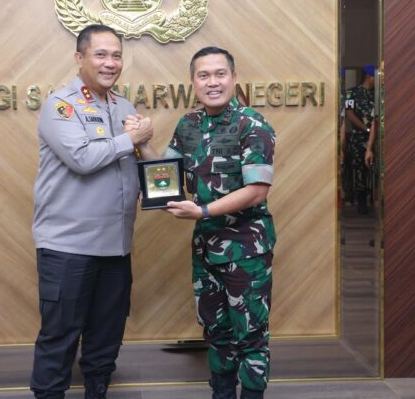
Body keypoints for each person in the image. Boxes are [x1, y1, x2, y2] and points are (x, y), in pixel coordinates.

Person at [129, 47, 276, 399]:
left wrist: (203, 211)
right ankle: (221, 392)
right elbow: (166, 176)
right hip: (206, 248)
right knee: (216, 329)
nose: (213, 82)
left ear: (233, 78)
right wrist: (142, 144)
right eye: (204, 76)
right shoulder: (189, 125)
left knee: (250, 333)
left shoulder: (253, 125)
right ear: (193, 82)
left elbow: (256, 191)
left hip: (247, 249)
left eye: (220, 74)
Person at [30, 24, 153, 399]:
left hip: (116, 247)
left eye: (116, 55)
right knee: (60, 336)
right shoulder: (61, 106)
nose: (110, 62)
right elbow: (82, 159)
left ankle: (97, 391)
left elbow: (136, 164)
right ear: (79, 58)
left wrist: (147, 158)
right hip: (69, 247)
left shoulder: (124, 107)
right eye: (101, 54)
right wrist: (131, 139)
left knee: (106, 336)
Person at [344, 65, 377, 215]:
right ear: (369, 77)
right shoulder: (352, 93)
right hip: (358, 138)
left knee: (373, 170)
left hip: (374, 138)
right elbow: (349, 114)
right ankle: (362, 202)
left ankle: (373, 199)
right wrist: (366, 129)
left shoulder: (375, 95)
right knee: (359, 170)